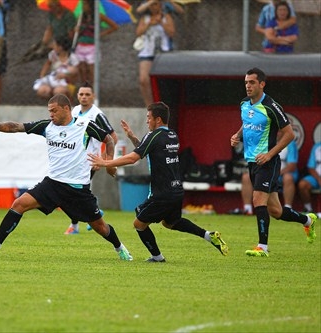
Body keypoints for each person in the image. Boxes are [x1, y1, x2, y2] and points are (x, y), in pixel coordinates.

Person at [0, 94, 133, 261]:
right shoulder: (46, 126)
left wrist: (109, 162)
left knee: (100, 227)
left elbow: (109, 139)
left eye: (54, 111)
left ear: (66, 109)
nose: (51, 115)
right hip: (52, 184)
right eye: (49, 111)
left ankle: (120, 248)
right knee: (19, 204)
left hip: (77, 189)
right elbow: (15, 127)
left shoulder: (84, 125)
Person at [88, 102, 228, 262]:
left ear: (158, 120)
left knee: (139, 224)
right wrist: (133, 137)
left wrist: (106, 162)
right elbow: (148, 150)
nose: (147, 121)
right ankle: (208, 235)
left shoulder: (153, 135)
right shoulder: (172, 135)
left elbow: (134, 158)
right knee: (170, 223)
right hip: (176, 189)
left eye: (149, 118)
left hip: (162, 192)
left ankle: (157, 257)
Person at [230, 67, 316, 256]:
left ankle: (263, 247)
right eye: (246, 82)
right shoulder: (244, 103)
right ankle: (307, 221)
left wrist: (270, 154)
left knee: (258, 200)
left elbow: (289, 134)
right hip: (252, 161)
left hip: (268, 162)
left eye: (252, 82)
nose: (248, 86)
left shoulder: (271, 106)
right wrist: (237, 135)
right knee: (276, 211)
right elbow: (246, 123)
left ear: (262, 84)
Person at [64, 82, 118, 234]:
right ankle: (94, 212)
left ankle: (76, 225)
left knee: (75, 191)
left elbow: (112, 137)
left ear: (93, 96)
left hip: (89, 161)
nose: (84, 97)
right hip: (74, 159)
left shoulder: (97, 115)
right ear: (77, 96)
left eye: (87, 94)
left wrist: (104, 160)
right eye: (81, 94)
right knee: (76, 192)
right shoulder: (74, 111)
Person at [135, 0, 174, 107]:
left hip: (162, 51)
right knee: (143, 79)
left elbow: (171, 33)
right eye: (151, 5)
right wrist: (149, 24)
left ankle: (163, 103)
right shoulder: (145, 18)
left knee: (163, 80)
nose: (153, 7)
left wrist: (161, 23)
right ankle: (149, 105)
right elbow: (138, 33)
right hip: (147, 51)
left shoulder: (166, 17)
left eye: (155, 4)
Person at [74, 0, 118, 85]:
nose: (83, 6)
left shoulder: (99, 16)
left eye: (85, 4)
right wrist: (76, 30)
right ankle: (84, 88)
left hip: (92, 46)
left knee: (92, 70)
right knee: (82, 70)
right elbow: (77, 32)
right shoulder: (81, 17)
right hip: (80, 45)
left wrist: (100, 35)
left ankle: (94, 90)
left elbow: (114, 26)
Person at [34, 36, 79, 100]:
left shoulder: (72, 58)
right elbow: (47, 65)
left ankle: (68, 101)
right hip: (53, 80)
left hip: (67, 83)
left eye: (54, 45)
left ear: (60, 47)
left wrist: (65, 75)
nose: (52, 46)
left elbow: (76, 72)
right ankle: (51, 104)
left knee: (58, 92)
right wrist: (42, 76)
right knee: (42, 91)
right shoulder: (52, 54)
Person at [297, 142, 321, 214]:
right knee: (302, 184)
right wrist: (319, 179)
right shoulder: (317, 147)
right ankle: (308, 208)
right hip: (317, 177)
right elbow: (311, 167)